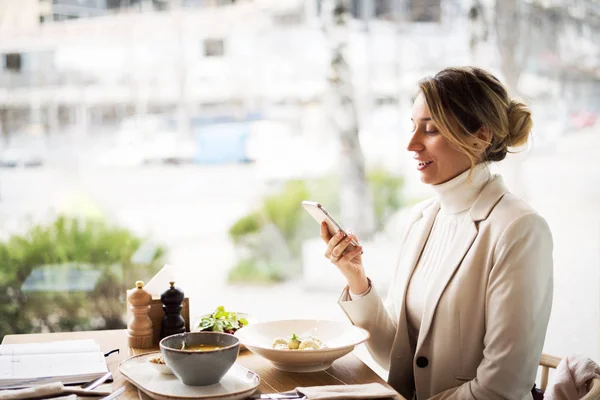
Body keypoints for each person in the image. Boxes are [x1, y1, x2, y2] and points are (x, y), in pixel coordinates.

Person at [320, 66, 553, 399]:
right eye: (412, 127)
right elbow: (395, 356)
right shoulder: (421, 219)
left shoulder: (519, 229)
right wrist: (356, 279)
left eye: (430, 130)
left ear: (480, 137)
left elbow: (503, 387)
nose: (411, 144)